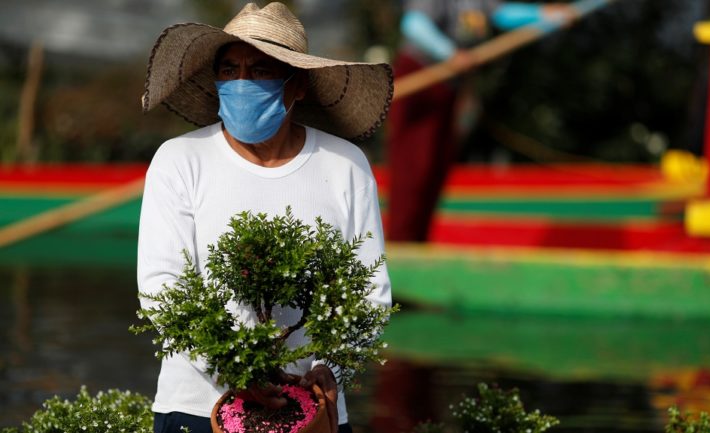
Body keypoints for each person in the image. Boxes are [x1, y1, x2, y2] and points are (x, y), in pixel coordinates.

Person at [137, 3, 393, 433]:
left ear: (299, 85)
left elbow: (369, 293)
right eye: (229, 69)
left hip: (311, 411)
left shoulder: (344, 165)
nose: (241, 83)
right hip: (198, 407)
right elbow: (163, 286)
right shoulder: (180, 160)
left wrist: (330, 371)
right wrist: (237, 368)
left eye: (260, 71)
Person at [386, 0, 576, 242]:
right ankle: (401, 246)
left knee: (436, 168)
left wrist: (543, 15)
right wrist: (448, 52)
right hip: (421, 80)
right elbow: (413, 24)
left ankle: (417, 243)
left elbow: (501, 14)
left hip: (449, 84)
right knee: (414, 168)